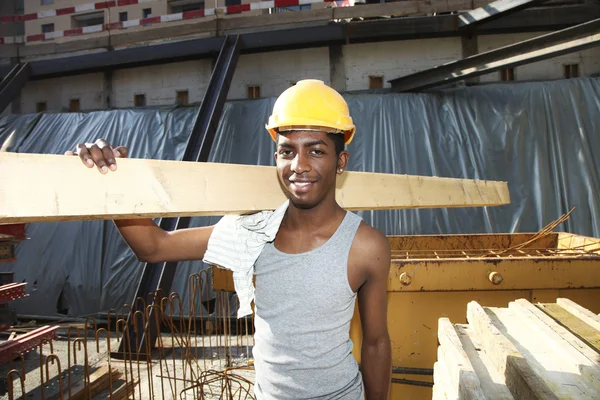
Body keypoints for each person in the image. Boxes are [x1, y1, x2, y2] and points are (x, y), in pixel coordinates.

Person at [67, 79, 392, 399]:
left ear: (341, 162)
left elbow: (376, 342)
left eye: (316, 150)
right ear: (275, 158)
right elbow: (154, 246)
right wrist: (109, 181)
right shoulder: (253, 231)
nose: (299, 166)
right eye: (287, 151)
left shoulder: (366, 247)